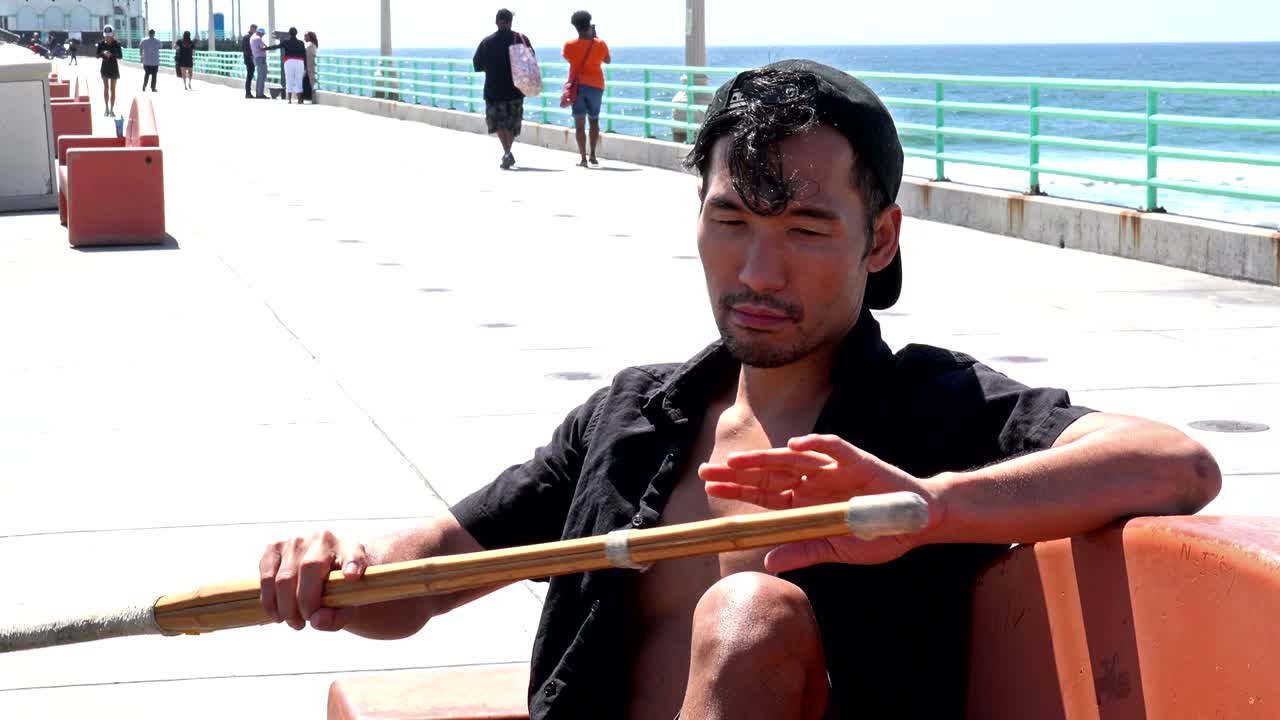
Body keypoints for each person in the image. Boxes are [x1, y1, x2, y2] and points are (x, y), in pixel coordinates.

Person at [256, 60, 1221, 720]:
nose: (757, 273)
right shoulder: (633, 420)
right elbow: (425, 577)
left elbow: (1175, 464)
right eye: (730, 223)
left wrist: (925, 508)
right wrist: (339, 570)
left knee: (748, 615)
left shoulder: (932, 408)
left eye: (804, 230)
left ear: (879, 239)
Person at [473, 8, 532, 170]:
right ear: (511, 22)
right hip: (516, 89)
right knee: (512, 124)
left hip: (494, 90)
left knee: (499, 124)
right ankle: (508, 152)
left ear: (496, 21)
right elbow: (531, 60)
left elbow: (477, 64)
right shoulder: (520, 39)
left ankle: (507, 152)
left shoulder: (487, 42)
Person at [562, 10, 610, 167]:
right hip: (596, 86)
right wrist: (594, 37)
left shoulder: (569, 46)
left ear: (576, 27)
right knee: (594, 121)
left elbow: (568, 58)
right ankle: (593, 156)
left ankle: (583, 158)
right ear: (590, 25)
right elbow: (607, 60)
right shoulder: (600, 44)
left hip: (577, 87)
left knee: (579, 124)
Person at [95, 26, 123, 117]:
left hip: (114, 68)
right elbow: (97, 55)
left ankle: (112, 109)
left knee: (113, 89)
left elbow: (120, 56)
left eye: (109, 35)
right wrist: (103, 53)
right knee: (106, 88)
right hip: (105, 68)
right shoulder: (101, 43)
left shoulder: (117, 43)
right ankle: (106, 108)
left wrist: (111, 54)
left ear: (112, 35)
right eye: (106, 35)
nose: (107, 37)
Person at [278, 27, 307, 105]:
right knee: (299, 80)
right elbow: (304, 54)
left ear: (289, 33)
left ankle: (290, 99)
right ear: (296, 33)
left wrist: (265, 49)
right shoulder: (301, 42)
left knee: (289, 79)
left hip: (289, 61)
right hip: (300, 62)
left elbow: (276, 46)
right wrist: (305, 66)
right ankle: (299, 100)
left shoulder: (286, 42)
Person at [250, 27, 278, 99]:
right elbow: (263, 47)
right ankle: (260, 94)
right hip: (261, 58)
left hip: (256, 58)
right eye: (262, 34)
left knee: (259, 76)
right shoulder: (258, 39)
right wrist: (266, 47)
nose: (262, 35)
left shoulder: (252, 38)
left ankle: (258, 93)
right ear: (259, 33)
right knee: (262, 76)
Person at [241, 24, 258, 98]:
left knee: (250, 75)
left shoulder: (249, 37)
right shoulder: (247, 37)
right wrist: (251, 57)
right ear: (252, 29)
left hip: (250, 59)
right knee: (249, 76)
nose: (255, 31)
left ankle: (248, 93)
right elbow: (246, 49)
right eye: (255, 29)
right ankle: (248, 93)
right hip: (249, 59)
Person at [302, 31, 319, 104]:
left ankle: (307, 98)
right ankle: (310, 97)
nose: (304, 38)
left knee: (306, 82)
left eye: (305, 36)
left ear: (310, 37)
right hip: (311, 67)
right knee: (311, 82)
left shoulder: (309, 45)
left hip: (308, 67)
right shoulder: (314, 45)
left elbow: (304, 54)